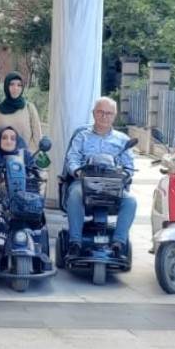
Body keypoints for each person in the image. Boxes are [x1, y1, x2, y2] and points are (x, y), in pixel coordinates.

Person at [63, 97, 136, 259]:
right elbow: (72, 159)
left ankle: (118, 243)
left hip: (111, 184)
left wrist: (124, 175)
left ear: (114, 116)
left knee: (130, 201)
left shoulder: (122, 140)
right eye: (101, 112)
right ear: (94, 113)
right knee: (75, 194)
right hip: (84, 181)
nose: (104, 116)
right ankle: (75, 242)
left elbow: (129, 167)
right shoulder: (82, 136)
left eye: (109, 113)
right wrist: (78, 172)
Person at [0, 127, 44, 251]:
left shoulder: (25, 154)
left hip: (20, 195)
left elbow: (36, 172)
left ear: (17, 141)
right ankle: (0, 235)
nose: (8, 141)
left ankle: (34, 237)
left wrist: (37, 172)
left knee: (35, 202)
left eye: (13, 138)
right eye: (4, 137)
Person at [0, 72, 43, 149]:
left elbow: (37, 138)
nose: (15, 88)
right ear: (6, 86)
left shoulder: (29, 108)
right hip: (3, 158)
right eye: (11, 84)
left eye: (19, 85)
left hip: (25, 157)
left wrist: (27, 156)